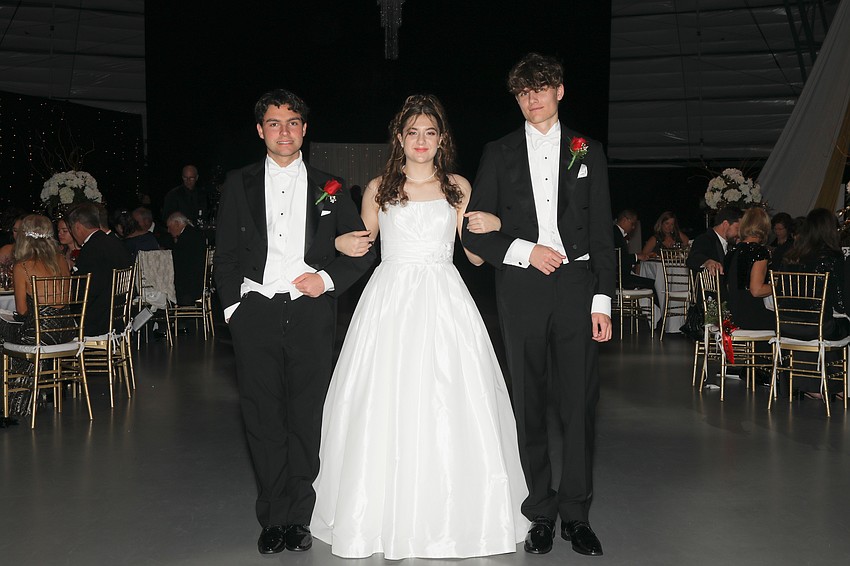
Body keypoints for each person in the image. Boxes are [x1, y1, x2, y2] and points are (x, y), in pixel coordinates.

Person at [312, 95, 528, 559]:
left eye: (430, 132)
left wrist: (493, 224)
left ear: (442, 138)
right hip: (389, 300)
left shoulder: (458, 187)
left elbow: (473, 256)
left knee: (449, 399)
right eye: (413, 132)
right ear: (400, 138)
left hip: (444, 298)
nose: (421, 141)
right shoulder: (378, 187)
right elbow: (363, 246)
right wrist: (339, 243)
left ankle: (453, 516)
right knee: (384, 399)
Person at [462, 53, 614, 557]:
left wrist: (601, 300)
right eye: (524, 92)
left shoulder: (587, 150)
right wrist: (525, 250)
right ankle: (540, 513)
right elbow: (474, 233)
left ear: (559, 91)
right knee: (528, 405)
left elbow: (601, 231)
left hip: (576, 287)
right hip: (522, 288)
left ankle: (577, 514)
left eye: (541, 89)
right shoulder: (498, 152)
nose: (533, 99)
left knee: (579, 405)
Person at [214, 89, 375, 556]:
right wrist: (235, 311)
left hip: (310, 313)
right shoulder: (238, 183)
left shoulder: (332, 186)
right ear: (260, 130)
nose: (283, 131)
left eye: (292, 122)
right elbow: (225, 255)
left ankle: (300, 515)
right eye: (274, 122)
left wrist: (325, 279)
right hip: (256, 312)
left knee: (306, 416)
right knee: (263, 417)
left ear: (304, 129)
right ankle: (273, 516)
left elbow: (362, 249)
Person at [0, 214, 74, 418]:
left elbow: (22, 311)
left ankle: (17, 398)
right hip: (66, 330)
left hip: (40, 335)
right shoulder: (61, 260)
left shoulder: (22, 266)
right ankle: (44, 388)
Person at [66, 203, 133, 337]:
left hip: (96, 322)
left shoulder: (91, 249)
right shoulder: (116, 243)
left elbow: (81, 291)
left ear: (78, 227)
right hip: (118, 318)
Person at [724, 207, 773, 330]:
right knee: (787, 323)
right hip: (752, 318)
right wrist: (779, 287)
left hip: (733, 315)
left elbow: (730, 287)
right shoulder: (758, 252)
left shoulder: (732, 252)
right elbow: (756, 290)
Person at [686, 207, 742, 276]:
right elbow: (693, 258)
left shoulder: (732, 243)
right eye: (737, 229)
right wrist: (707, 262)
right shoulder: (704, 239)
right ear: (725, 224)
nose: (739, 233)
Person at [167, 212, 205, 306]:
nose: (168, 230)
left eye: (169, 227)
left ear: (177, 224)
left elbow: (179, 261)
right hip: (198, 279)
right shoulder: (194, 233)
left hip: (189, 285)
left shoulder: (186, 238)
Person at [613, 209, 655, 291]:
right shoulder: (616, 234)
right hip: (620, 279)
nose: (633, 227)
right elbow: (619, 258)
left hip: (620, 277)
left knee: (649, 282)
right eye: (632, 224)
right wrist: (637, 256)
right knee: (653, 284)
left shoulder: (616, 233)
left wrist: (638, 256)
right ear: (624, 220)